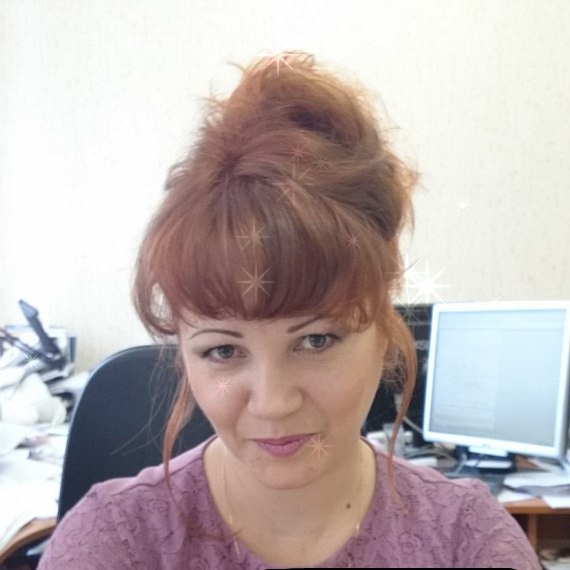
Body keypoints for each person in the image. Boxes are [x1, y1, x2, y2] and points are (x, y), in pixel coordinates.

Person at [38, 51, 541, 569]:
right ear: (183, 354)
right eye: (223, 350)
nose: (273, 403)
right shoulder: (111, 544)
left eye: (316, 340)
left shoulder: (467, 541)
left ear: (384, 333)